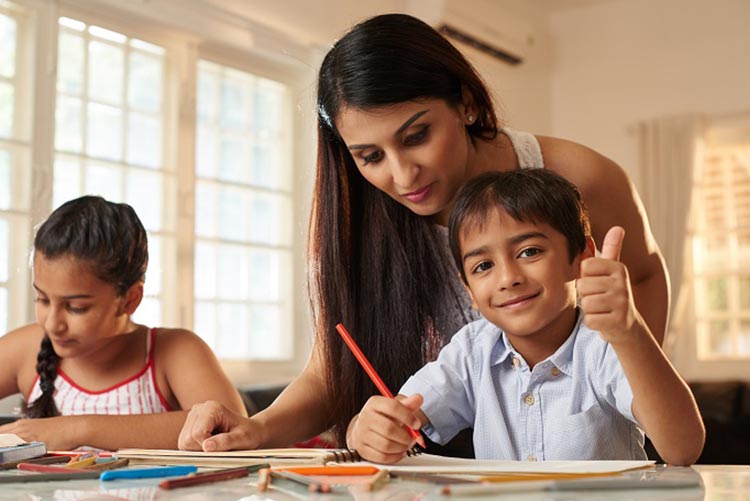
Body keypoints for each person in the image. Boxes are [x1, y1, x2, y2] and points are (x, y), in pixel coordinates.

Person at [177, 13, 670, 454]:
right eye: (370, 157)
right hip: (429, 459)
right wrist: (254, 430)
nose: (403, 175)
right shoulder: (357, 223)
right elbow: (331, 370)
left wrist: (628, 391)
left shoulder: (579, 176)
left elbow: (644, 275)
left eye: (417, 137)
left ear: (468, 103)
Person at [348, 169, 704, 466]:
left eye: (529, 251)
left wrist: (629, 333)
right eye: (483, 266)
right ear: (468, 288)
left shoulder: (605, 345)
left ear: (582, 257)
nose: (508, 278)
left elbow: (683, 448)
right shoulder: (473, 350)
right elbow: (397, 416)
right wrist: (363, 431)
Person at [0, 196, 246, 450]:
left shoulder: (174, 352)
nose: (53, 324)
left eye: (76, 307)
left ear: (130, 299)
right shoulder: (26, 348)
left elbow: (232, 429)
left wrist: (77, 429)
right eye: (42, 299)